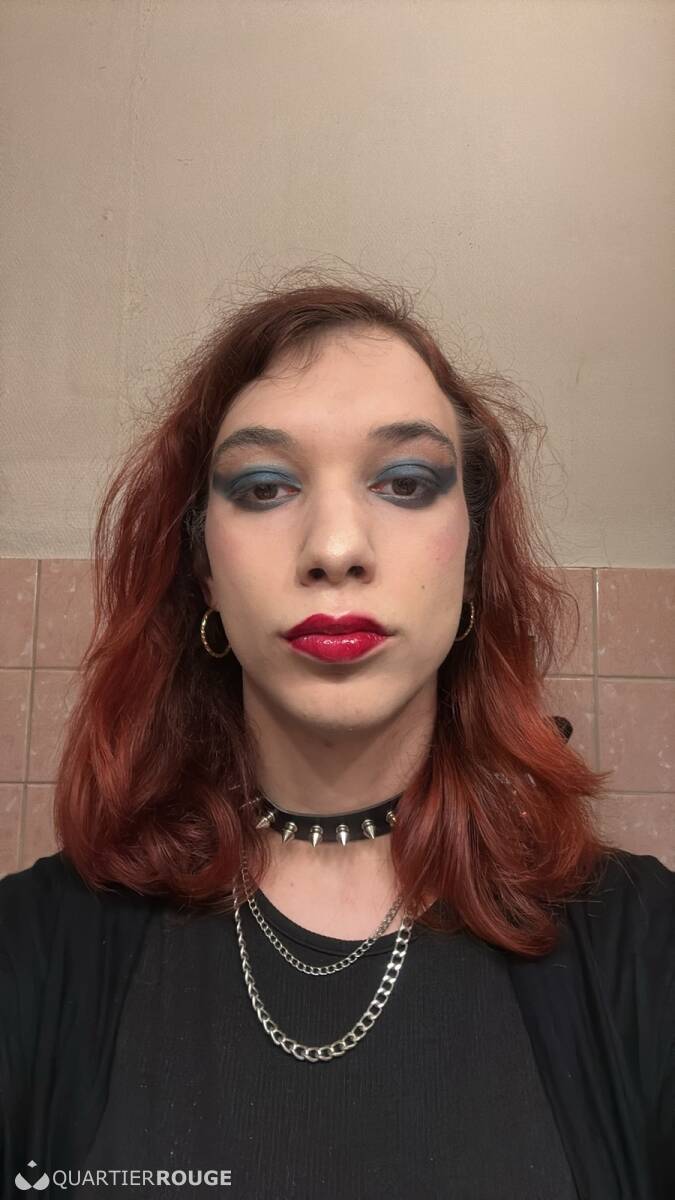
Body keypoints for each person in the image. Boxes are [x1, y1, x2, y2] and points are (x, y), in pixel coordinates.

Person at [0, 278, 672, 1200]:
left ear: (471, 556)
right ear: (204, 571)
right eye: (263, 486)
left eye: (405, 482)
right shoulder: (35, 951)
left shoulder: (642, 948)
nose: (334, 547)